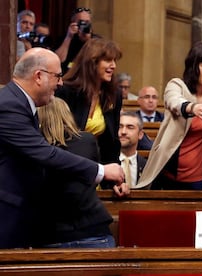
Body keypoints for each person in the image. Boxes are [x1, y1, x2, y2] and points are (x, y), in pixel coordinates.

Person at [0, 47, 124, 249]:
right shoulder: (10, 105)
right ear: (38, 76)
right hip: (9, 215)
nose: (60, 83)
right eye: (57, 76)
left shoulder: (18, 102)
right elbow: (44, 153)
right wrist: (101, 170)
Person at [137, 41, 202, 190]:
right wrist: (192, 107)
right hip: (166, 172)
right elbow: (173, 101)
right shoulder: (178, 85)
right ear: (194, 67)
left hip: (200, 177)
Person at [36, 98, 119, 248]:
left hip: (51, 235)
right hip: (93, 229)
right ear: (67, 115)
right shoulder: (87, 141)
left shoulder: (35, 149)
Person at [56, 38, 123, 190]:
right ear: (92, 62)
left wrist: (117, 182)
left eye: (114, 60)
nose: (113, 66)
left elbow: (112, 144)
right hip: (66, 172)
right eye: (107, 60)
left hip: (98, 175)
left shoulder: (113, 95)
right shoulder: (65, 92)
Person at [55, 7, 98, 75]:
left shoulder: (96, 40)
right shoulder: (64, 39)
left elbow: (97, 62)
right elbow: (58, 60)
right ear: (73, 23)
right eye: (81, 22)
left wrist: (88, 41)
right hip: (67, 78)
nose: (84, 25)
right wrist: (69, 37)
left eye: (87, 22)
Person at [119, 111, 147, 188]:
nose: (123, 132)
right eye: (120, 127)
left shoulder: (147, 167)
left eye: (130, 127)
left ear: (140, 134)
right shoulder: (105, 163)